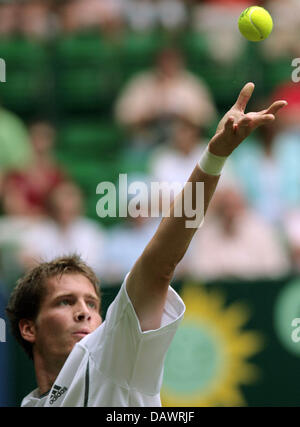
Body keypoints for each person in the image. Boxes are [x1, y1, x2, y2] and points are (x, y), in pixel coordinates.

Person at [6, 83, 287, 407]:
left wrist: (215, 157)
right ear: (28, 328)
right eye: (65, 302)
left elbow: (159, 265)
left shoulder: (108, 353)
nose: (84, 313)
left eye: (93, 304)